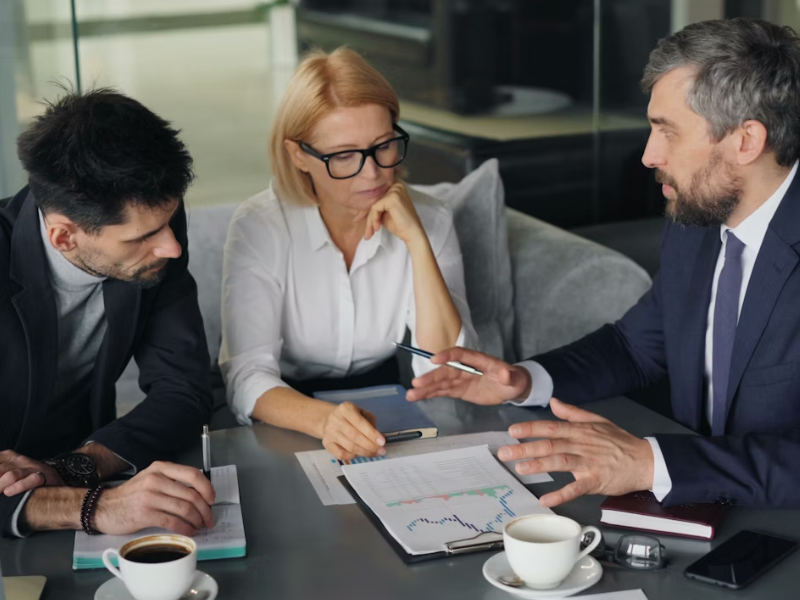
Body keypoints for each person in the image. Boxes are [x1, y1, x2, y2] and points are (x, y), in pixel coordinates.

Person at [409, 18, 800, 509]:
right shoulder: (696, 224)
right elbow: (635, 346)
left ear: (746, 140)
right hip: (698, 513)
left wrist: (648, 463)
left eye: (667, 133)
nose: (648, 155)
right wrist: (525, 379)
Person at [219, 48, 478, 461]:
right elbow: (247, 376)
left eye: (384, 146)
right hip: (288, 412)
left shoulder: (430, 218)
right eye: (343, 156)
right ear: (299, 155)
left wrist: (417, 242)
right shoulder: (260, 227)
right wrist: (325, 421)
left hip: (390, 404)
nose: (373, 173)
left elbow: (443, 370)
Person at [0, 89, 216, 538]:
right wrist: (98, 507)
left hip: (82, 487)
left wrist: (77, 469)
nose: (171, 248)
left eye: (169, 223)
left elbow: (183, 389)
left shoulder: (155, 230)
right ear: (64, 237)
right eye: (144, 236)